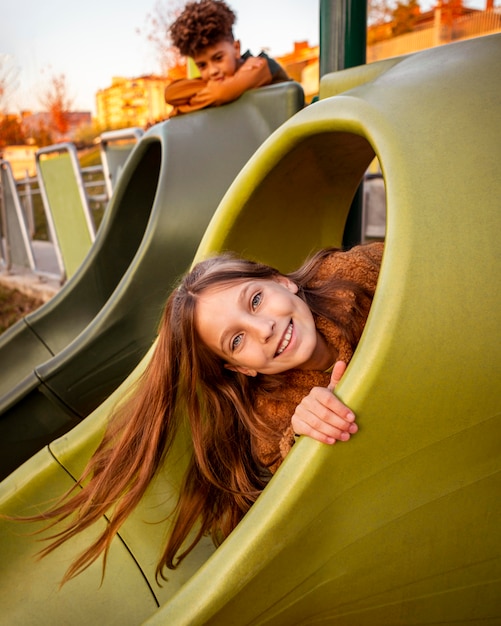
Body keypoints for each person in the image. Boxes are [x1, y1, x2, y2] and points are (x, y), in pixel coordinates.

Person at [28, 241, 383, 585]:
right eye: (237, 341)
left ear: (281, 281)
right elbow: (296, 482)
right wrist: (303, 435)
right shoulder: (271, 417)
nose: (263, 329)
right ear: (241, 369)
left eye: (256, 300)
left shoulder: (352, 276)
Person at [164, 0, 290, 116]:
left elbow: (219, 93)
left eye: (218, 58)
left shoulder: (260, 66)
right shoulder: (215, 82)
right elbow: (170, 93)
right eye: (202, 65)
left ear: (236, 48)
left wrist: (182, 108)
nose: (212, 71)